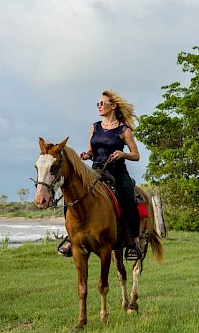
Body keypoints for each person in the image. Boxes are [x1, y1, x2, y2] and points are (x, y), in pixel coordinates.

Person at [58, 89, 143, 261]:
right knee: (72, 195)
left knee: (128, 197)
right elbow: (91, 150)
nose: (99, 107)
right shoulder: (95, 126)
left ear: (113, 106)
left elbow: (136, 155)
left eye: (102, 104)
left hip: (117, 171)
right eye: (98, 104)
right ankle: (71, 235)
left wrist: (122, 154)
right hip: (96, 170)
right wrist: (86, 155)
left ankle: (133, 242)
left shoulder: (124, 129)